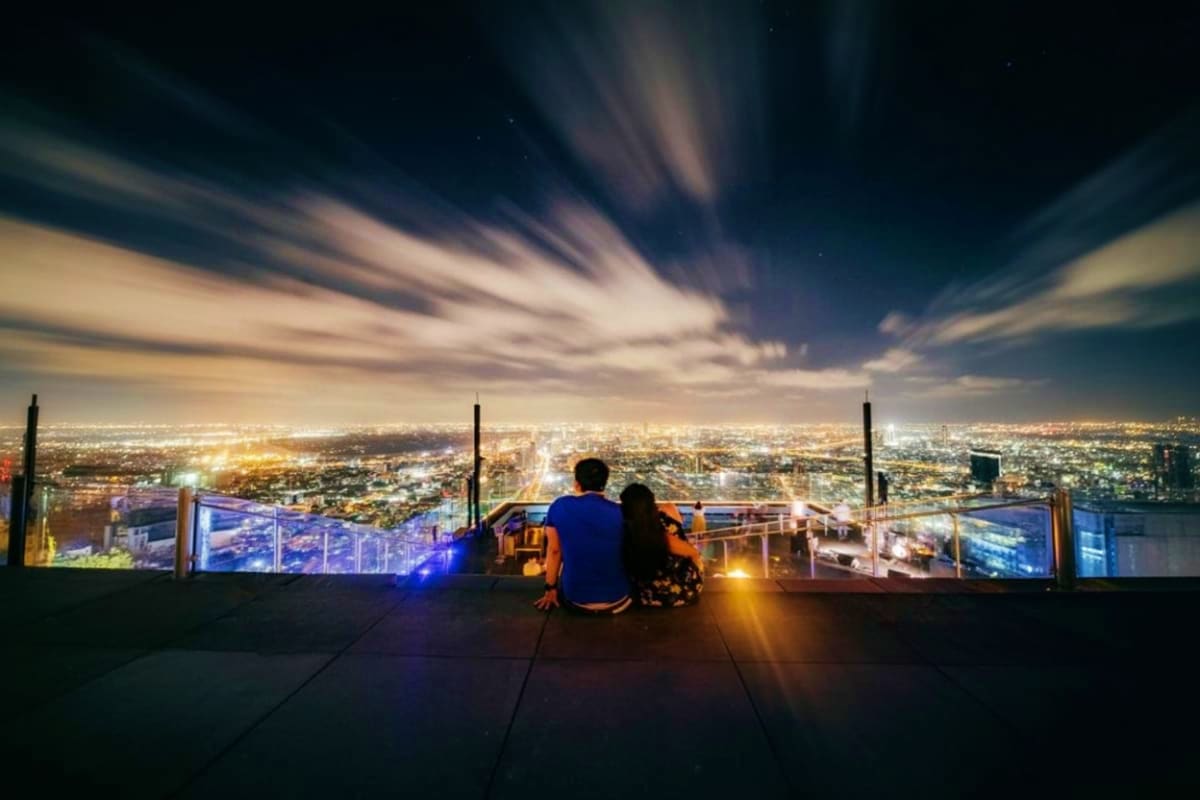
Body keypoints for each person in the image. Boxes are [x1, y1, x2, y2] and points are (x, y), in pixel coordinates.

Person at [534, 458, 631, 614]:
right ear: (605, 483)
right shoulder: (621, 511)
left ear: (577, 484)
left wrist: (550, 588)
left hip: (575, 599)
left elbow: (554, 550)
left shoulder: (560, 506)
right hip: (618, 600)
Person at [620, 483, 704, 608]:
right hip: (680, 593)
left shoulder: (624, 527)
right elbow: (692, 552)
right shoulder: (663, 524)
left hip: (643, 596)